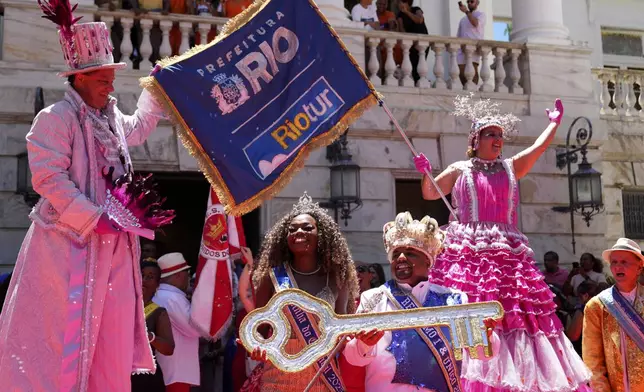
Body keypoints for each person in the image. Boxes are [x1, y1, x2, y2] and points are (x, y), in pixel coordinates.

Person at [0, 3, 168, 389]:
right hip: (67, 248)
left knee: (110, 336)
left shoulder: (110, 116)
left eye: (111, 79)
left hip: (114, 251)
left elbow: (139, 127)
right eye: (104, 80)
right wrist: (96, 218)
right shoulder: (56, 118)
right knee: (59, 341)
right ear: (79, 78)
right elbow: (48, 178)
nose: (111, 87)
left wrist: (156, 89)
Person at [413, 94, 592, 391]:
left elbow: (538, 148)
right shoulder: (460, 169)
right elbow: (430, 193)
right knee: (469, 312)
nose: (498, 140)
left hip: (507, 255)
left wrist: (554, 124)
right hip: (467, 254)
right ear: (476, 139)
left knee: (515, 317)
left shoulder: (511, 168)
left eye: (500, 135)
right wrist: (424, 172)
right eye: (491, 134)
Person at [342, 212, 499, 391]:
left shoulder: (453, 300)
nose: (401, 258)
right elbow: (353, 357)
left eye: (410, 253)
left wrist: (485, 335)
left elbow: (480, 353)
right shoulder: (374, 298)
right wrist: (364, 344)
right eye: (396, 255)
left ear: (428, 260)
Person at [240, 192, 359, 392]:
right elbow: (259, 329)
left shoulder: (337, 277)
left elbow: (343, 330)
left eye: (307, 227)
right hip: (278, 375)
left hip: (322, 374)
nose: (298, 232)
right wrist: (256, 348)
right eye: (292, 229)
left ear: (321, 235)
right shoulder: (273, 277)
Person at [583, 238, 644, 392]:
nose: (618, 267)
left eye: (624, 262)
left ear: (639, 267)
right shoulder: (597, 305)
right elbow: (593, 361)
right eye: (614, 262)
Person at [154, 252, 205, 392]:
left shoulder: (164, 295)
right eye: (186, 273)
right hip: (176, 370)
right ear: (178, 275)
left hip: (172, 369)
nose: (188, 277)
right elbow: (194, 329)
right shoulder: (172, 298)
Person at [132, 260, 176, 392]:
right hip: (119, 373)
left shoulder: (158, 312)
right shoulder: (121, 308)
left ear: (157, 285)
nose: (144, 280)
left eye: (150, 277)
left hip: (145, 378)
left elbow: (169, 349)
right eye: (141, 275)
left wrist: (150, 336)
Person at [397, 0, 428, 82]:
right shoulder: (400, 15)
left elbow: (419, 20)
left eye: (400, 2)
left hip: (423, 43)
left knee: (421, 66)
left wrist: (407, 12)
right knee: (413, 69)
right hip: (411, 45)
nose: (398, 4)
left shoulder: (416, 9)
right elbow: (401, 30)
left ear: (406, 3)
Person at [456, 0, 486, 86]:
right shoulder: (462, 20)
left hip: (473, 54)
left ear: (477, 3)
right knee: (464, 83)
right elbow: (458, 37)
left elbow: (475, 23)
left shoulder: (481, 15)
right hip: (461, 55)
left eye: (471, 1)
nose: (469, 3)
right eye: (468, 1)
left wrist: (466, 11)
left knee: (472, 82)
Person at [566, 280, 597, 357]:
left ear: (585, 296)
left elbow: (573, 336)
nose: (578, 300)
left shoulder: (582, 311)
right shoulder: (606, 308)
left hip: (585, 356)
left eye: (579, 297)